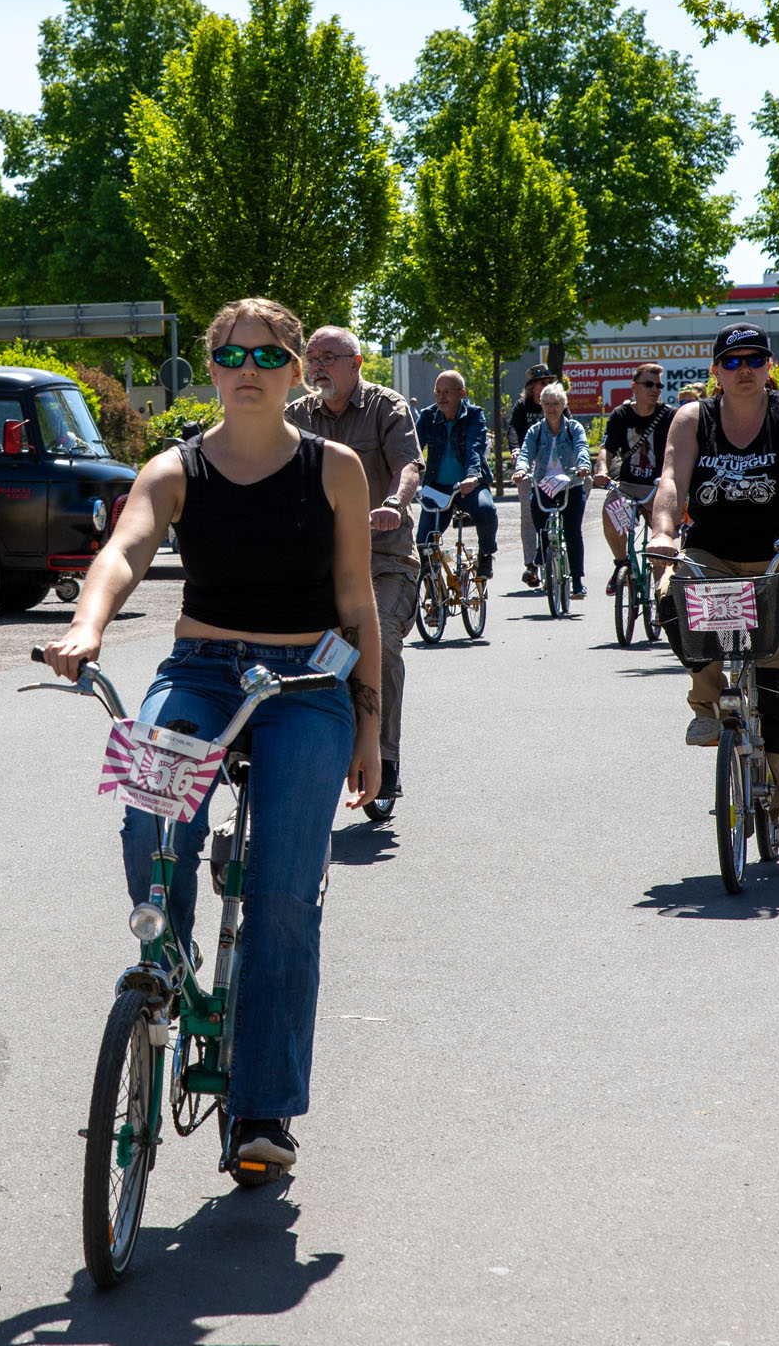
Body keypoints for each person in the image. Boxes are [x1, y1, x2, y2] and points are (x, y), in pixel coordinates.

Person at [44, 296, 382, 1171]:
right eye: (231, 356)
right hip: (197, 670)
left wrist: (372, 728)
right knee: (147, 814)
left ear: (297, 372)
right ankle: (171, 966)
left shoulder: (336, 467)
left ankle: (261, 1113)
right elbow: (125, 549)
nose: (248, 371)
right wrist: (89, 626)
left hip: (307, 683)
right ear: (211, 367)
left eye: (269, 358)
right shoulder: (176, 467)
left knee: (281, 894)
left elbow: (357, 601)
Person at [651, 321, 779, 850]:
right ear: (715, 372)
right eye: (731, 361)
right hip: (716, 555)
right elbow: (670, 480)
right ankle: (708, 704)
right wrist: (663, 532)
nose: (743, 369)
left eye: (754, 359)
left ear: (769, 367)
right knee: (671, 589)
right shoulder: (693, 418)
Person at [286, 325, 422, 803]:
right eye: (311, 357)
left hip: (384, 557)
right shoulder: (294, 416)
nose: (317, 365)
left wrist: (394, 503)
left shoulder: (388, 407)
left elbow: (409, 464)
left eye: (329, 356)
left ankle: (384, 759)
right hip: (317, 561)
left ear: (356, 363)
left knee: (378, 643)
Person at [592, 362, 675, 594]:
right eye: (649, 384)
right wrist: (602, 471)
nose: (655, 389)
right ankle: (622, 565)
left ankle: (662, 598)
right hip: (628, 485)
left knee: (659, 542)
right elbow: (607, 448)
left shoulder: (669, 415)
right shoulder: (621, 415)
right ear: (634, 387)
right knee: (610, 509)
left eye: (659, 385)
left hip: (658, 487)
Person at [414, 371, 499, 579]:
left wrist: (471, 476)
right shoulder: (427, 416)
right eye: (437, 392)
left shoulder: (474, 415)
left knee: (486, 510)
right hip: (437, 488)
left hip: (469, 485)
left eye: (447, 392)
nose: (441, 397)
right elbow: (412, 449)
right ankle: (434, 592)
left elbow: (474, 447)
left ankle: (486, 554)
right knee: (423, 543)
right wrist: (407, 476)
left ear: (462, 393)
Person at [513, 383, 592, 598]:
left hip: (570, 484)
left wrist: (584, 466)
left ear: (563, 405)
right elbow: (526, 452)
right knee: (539, 519)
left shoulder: (573, 428)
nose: (551, 408)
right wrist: (521, 470)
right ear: (541, 404)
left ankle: (577, 581)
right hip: (544, 485)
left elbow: (583, 448)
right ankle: (544, 550)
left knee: (572, 529)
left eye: (556, 403)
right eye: (547, 403)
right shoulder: (536, 431)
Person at [509, 365, 552, 585]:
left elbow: (572, 428)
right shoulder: (522, 406)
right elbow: (514, 430)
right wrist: (515, 450)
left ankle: (560, 558)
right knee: (528, 516)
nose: (546, 386)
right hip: (528, 464)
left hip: (554, 464)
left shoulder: (556, 403)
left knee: (559, 510)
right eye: (542, 383)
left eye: (548, 382)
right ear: (532, 386)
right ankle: (531, 566)